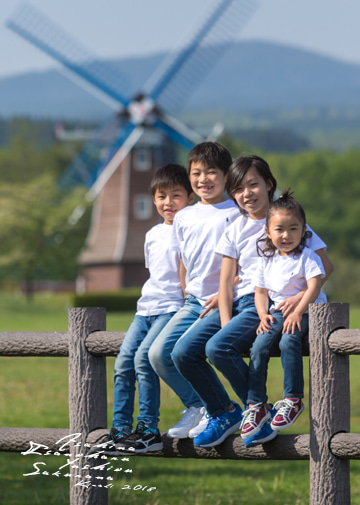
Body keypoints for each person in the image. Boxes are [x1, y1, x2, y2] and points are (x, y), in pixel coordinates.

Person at [172, 155, 333, 448]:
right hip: (236, 303)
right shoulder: (235, 225)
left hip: (265, 304)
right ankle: (226, 412)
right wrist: (223, 318)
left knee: (218, 347)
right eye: (237, 188)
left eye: (253, 185)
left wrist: (299, 296)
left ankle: (256, 408)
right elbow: (227, 278)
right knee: (182, 351)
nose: (246, 193)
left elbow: (325, 267)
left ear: (268, 184)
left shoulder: (285, 219)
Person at [90, 163, 194, 455]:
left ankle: (148, 428)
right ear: (153, 199)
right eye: (161, 196)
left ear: (190, 198)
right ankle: (120, 429)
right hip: (145, 309)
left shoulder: (190, 232)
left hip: (172, 308)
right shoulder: (152, 234)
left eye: (176, 195)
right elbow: (155, 274)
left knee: (144, 361)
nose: (168, 202)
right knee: (123, 363)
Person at [148, 141, 241, 439]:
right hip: (193, 301)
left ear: (227, 175)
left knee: (185, 352)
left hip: (225, 299)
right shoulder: (185, 215)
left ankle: (222, 410)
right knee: (158, 353)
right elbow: (184, 261)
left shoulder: (237, 212)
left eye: (212, 172)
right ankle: (201, 406)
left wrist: (227, 292)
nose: (203, 179)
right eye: (196, 173)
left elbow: (249, 263)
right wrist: (187, 291)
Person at [240, 189, 327, 440]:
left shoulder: (306, 257)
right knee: (258, 347)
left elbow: (314, 286)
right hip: (277, 312)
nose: (286, 235)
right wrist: (262, 314)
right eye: (279, 229)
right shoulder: (266, 260)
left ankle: (293, 399)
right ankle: (255, 404)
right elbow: (260, 291)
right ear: (268, 232)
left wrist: (298, 312)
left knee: (289, 340)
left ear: (303, 232)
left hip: (310, 310)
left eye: (293, 229)